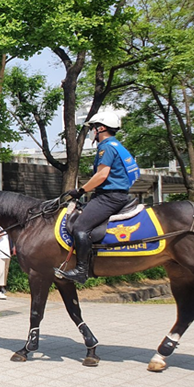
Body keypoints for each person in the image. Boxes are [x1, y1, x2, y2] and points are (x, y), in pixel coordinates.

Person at [57, 111, 139, 284]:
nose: (93, 132)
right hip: (116, 195)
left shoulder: (106, 147)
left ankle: (81, 270)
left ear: (101, 128)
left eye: (94, 128)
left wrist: (80, 190)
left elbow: (102, 175)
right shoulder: (117, 145)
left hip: (109, 197)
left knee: (80, 227)